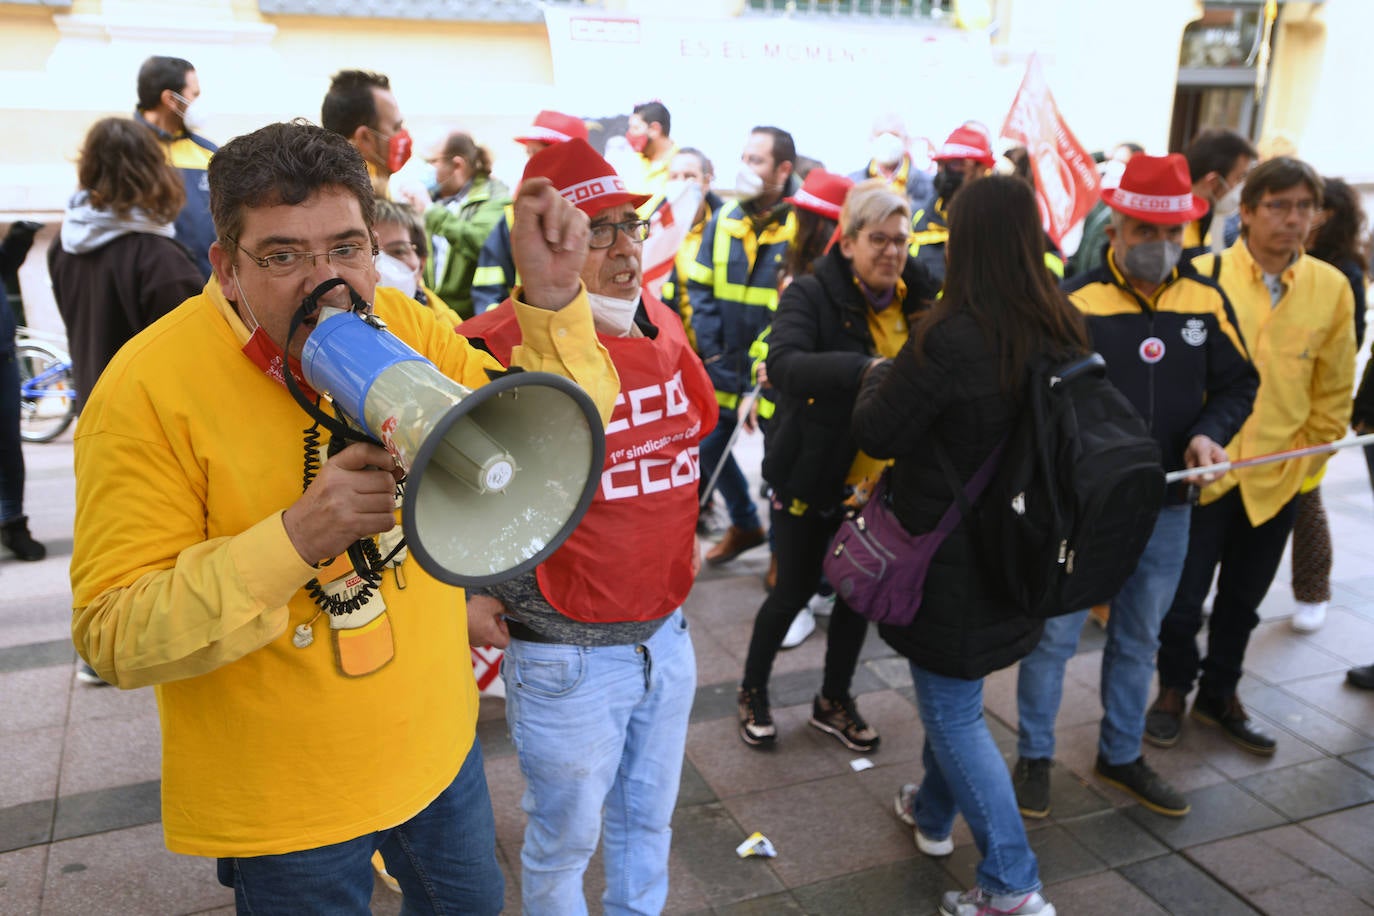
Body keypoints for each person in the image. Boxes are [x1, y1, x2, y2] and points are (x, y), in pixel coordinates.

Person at [68, 120, 617, 914]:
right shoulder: (147, 389)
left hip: (436, 745)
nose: (326, 282)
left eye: (347, 249)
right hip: (287, 793)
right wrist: (295, 539)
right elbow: (114, 633)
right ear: (225, 266)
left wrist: (558, 298)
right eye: (283, 256)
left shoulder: (407, 323)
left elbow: (547, 434)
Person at [458, 137, 715, 916]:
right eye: (594, 228)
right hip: (568, 656)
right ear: (545, 241)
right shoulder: (489, 347)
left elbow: (688, 437)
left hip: (665, 640)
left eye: (629, 224)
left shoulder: (661, 324)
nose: (623, 246)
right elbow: (443, 498)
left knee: (648, 825)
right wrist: (460, 599)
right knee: (564, 845)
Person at [854, 175, 1079, 916]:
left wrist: (879, 375)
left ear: (965, 241)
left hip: (947, 558)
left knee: (952, 713)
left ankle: (1013, 886)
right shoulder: (1063, 322)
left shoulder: (949, 336)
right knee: (960, 693)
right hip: (1025, 549)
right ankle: (931, 817)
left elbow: (878, 434)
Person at [1012, 153, 1258, 820]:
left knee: (1139, 638)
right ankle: (1033, 756)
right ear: (1115, 228)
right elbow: (1037, 401)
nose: (1162, 247)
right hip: (1081, 512)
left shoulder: (1204, 299)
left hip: (1169, 504)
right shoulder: (1074, 303)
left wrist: (1212, 432)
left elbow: (1240, 383)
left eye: (1173, 234)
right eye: (1146, 233)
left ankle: (1120, 754)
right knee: (1055, 639)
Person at [1149, 157, 1356, 756]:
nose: (1293, 219)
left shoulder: (1331, 286)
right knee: (1183, 601)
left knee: (1243, 600)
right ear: (1246, 211)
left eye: (1304, 208)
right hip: (1204, 474)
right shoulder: (1202, 274)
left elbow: (1332, 389)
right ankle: (1172, 691)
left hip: (1278, 477)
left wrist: (1305, 467)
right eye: (1279, 205)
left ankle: (1221, 693)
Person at [736, 178, 939, 753]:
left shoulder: (917, 293)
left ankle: (833, 699)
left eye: (900, 240)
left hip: (882, 485)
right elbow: (787, 364)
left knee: (858, 598)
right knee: (793, 590)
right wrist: (868, 369)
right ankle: (752, 689)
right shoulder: (811, 293)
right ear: (847, 242)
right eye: (878, 239)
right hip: (812, 471)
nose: (892, 252)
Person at [687, 125, 798, 566]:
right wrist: (711, 353)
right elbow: (700, 289)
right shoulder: (725, 218)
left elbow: (797, 307)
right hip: (724, 364)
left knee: (778, 468)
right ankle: (745, 523)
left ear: (783, 169)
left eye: (757, 160)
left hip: (776, 372)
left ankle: (779, 560)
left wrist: (776, 361)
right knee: (706, 448)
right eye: (744, 158)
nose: (745, 168)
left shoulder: (800, 226)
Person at [48, 117, 205, 412]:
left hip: (95, 412)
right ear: (154, 170)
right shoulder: (159, 260)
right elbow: (194, 359)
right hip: (145, 427)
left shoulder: (64, 243)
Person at [1285, 176, 1369, 632]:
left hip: (1307, 411)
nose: (1298, 218)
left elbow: (1345, 349)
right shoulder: (1285, 260)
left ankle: (1313, 591)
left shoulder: (1343, 274)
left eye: (1309, 207)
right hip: (1263, 409)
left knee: (1305, 500)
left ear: (1330, 215)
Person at [471, 110, 589, 314]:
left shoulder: (604, 215)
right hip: (525, 338)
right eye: (530, 154)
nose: (533, 163)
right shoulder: (512, 217)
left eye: (543, 154)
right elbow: (488, 289)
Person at [134, 55, 218, 279]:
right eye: (195, 94)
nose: (199, 103)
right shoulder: (128, 152)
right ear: (171, 99)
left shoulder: (209, 153)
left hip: (206, 287)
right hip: (153, 285)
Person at [415, 131, 511, 319]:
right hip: (432, 313)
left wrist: (430, 212)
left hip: (471, 317)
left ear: (457, 164)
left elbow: (484, 243)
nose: (425, 169)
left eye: (431, 162)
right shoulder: (432, 197)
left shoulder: (494, 198)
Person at [0, 219, 46, 562]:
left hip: (2, 354)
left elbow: (3, 268)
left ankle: (13, 523)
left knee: (8, 445)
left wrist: (18, 241)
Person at [908, 125, 996, 286]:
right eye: (941, 164)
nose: (945, 172)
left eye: (956, 164)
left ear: (982, 169)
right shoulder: (918, 219)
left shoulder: (1004, 219)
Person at [658, 146, 721, 345]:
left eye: (689, 176)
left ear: (707, 181)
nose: (681, 183)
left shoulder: (727, 227)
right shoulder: (653, 229)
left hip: (714, 353)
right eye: (674, 176)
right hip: (670, 346)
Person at [321, 69, 411, 200]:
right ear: (364, 138)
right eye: (396, 127)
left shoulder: (328, 190)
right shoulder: (365, 204)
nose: (403, 134)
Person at [372, 199, 459, 327]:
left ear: (421, 265)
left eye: (398, 251)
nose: (380, 264)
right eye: (370, 252)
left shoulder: (448, 329)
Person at [1181, 128, 1257, 261]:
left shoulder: (1206, 221)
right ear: (1213, 182)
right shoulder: (1176, 230)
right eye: (1239, 178)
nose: (1242, 187)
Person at [848, 113, 934, 215]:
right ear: (871, 139)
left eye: (895, 135)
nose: (887, 140)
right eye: (880, 134)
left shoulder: (929, 185)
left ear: (906, 140)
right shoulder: (852, 184)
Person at [624, 100, 679, 199]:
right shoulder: (630, 164)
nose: (630, 134)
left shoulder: (682, 166)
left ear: (655, 129)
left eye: (636, 128)